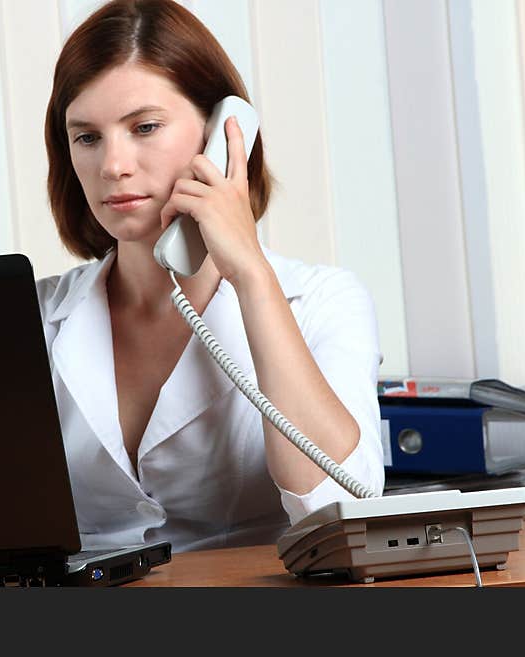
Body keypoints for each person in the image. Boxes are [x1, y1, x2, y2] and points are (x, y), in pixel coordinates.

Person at [37, 0, 384, 553]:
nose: (112, 165)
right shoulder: (30, 319)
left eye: (144, 127)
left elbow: (343, 512)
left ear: (223, 136)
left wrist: (250, 274)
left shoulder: (321, 301)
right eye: (87, 137)